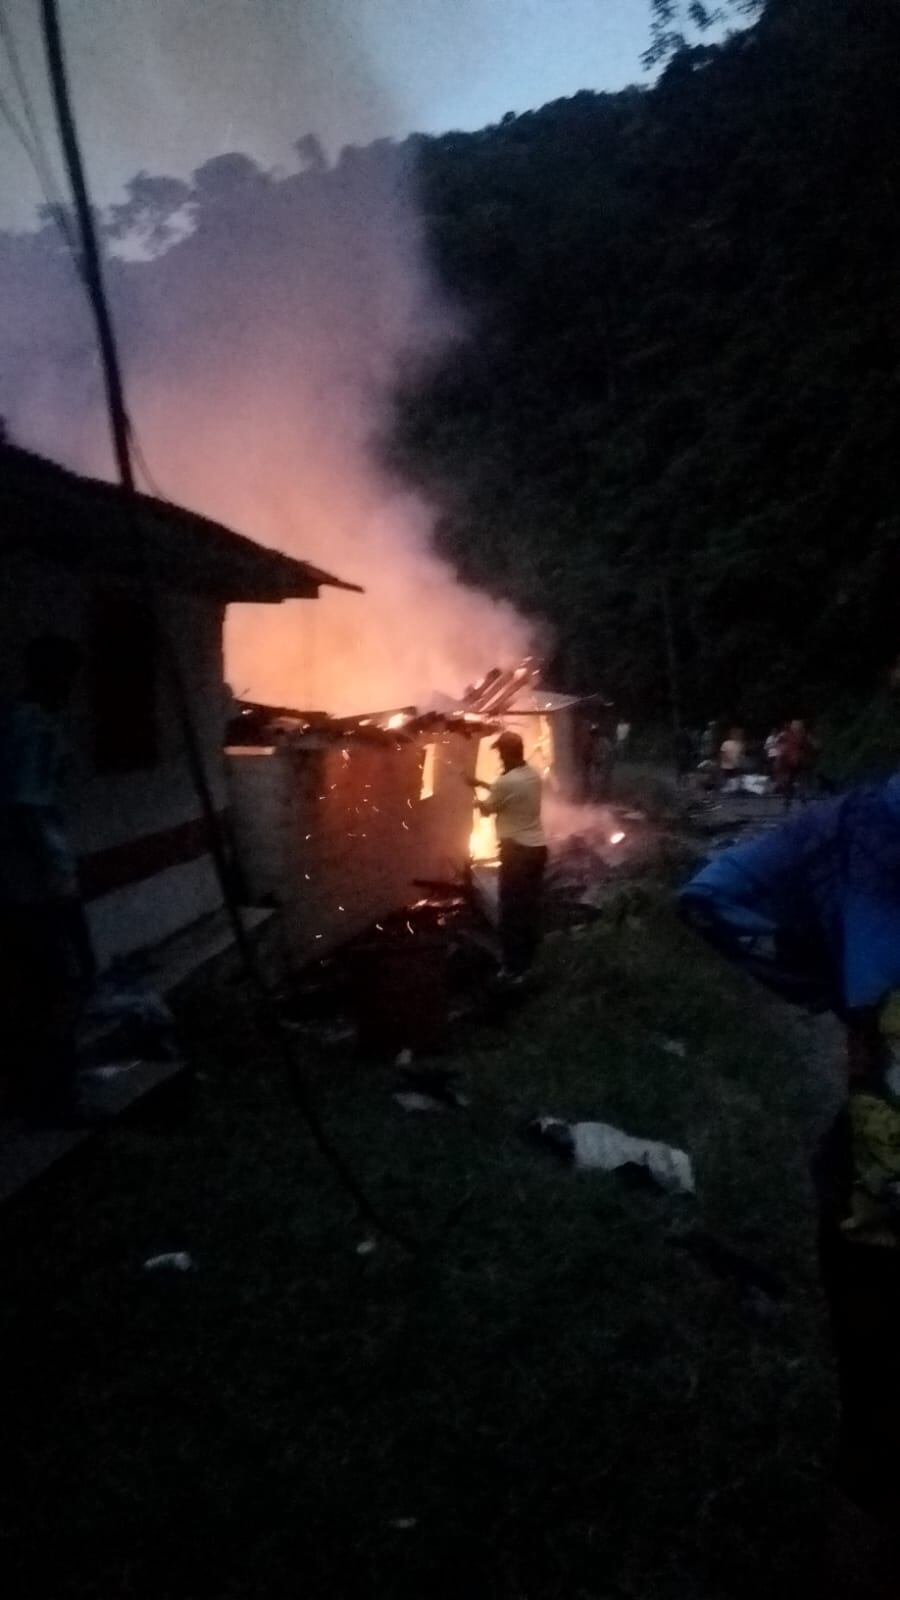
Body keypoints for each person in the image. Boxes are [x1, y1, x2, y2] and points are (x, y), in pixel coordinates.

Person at [679, 776, 900, 1526]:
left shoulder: (861, 827)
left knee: (874, 1438)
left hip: (883, 1192)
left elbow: (710, 897)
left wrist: (836, 987)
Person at [0, 635, 94, 1123]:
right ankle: (55, 1099)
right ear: (50, 676)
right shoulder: (34, 728)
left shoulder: (15, 722)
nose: (71, 689)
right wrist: (59, 882)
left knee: (26, 990)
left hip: (18, 889)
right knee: (62, 986)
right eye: (66, 678)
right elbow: (28, 809)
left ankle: (26, 1092)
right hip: (35, 889)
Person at [469, 729, 547, 981]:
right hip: (537, 851)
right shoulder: (532, 775)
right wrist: (481, 784)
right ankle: (530, 963)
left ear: (508, 753)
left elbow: (487, 810)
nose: (500, 758)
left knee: (511, 912)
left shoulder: (505, 782)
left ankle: (513, 969)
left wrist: (476, 801)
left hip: (516, 853)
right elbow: (510, 791)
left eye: (501, 752)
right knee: (529, 907)